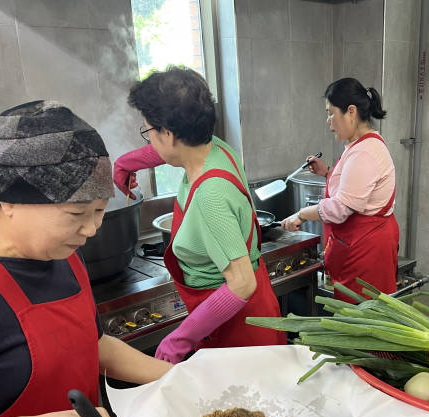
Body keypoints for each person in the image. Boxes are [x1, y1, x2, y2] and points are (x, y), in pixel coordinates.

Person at [0, 100, 173, 417]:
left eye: (99, 211)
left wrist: (178, 380)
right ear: (9, 200)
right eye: (77, 214)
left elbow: (92, 342)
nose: (91, 229)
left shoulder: (63, 255)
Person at [113, 66, 285, 363]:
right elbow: (174, 150)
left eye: (148, 132)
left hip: (238, 326)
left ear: (167, 133)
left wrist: (182, 335)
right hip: (246, 314)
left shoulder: (210, 194)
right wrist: (127, 162)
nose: (149, 141)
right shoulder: (216, 148)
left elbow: (242, 283)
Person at [280, 78, 399, 303]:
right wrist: (327, 173)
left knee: (363, 323)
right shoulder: (362, 145)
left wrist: (301, 215)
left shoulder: (365, 151)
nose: (328, 121)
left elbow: (340, 208)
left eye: (331, 113)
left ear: (351, 111)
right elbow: (356, 186)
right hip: (362, 247)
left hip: (366, 254)